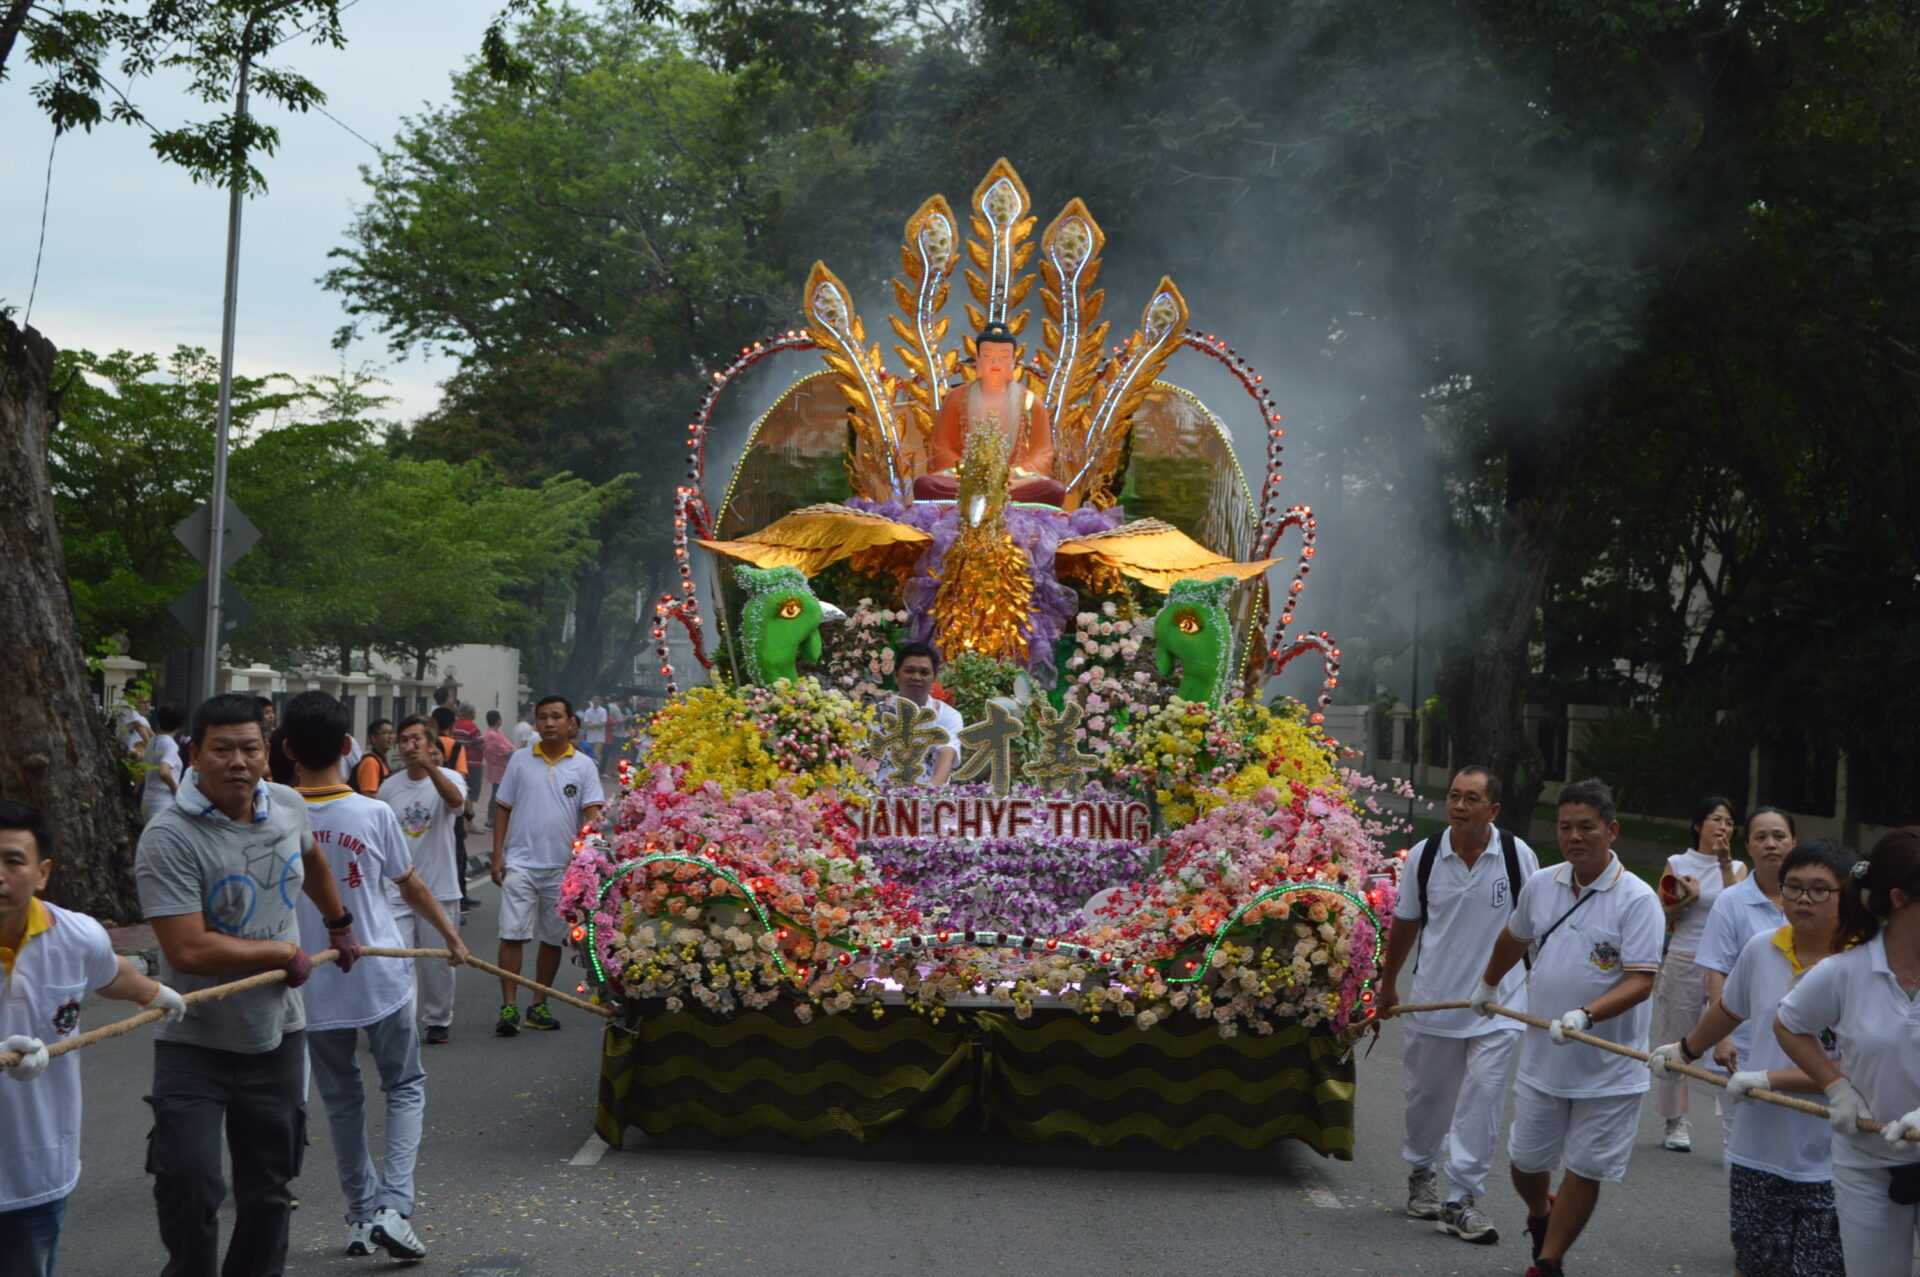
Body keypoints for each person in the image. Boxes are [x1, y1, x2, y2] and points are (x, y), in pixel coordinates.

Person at [134, 692, 361, 1277]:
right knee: (189, 1181)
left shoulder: (287, 805)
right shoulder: (169, 836)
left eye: (250, 748)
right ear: (194, 754)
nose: (238, 761)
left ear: (268, 754)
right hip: (195, 1042)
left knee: (268, 1191)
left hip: (276, 1036)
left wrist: (339, 925)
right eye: (222, 749)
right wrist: (283, 951)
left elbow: (311, 860)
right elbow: (188, 948)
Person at [282, 692, 468, 1260]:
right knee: (405, 1087)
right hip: (381, 979)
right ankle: (393, 1207)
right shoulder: (372, 812)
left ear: (287, 749)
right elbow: (410, 885)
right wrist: (452, 937)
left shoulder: (272, 814)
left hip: (313, 988)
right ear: (347, 747)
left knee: (342, 1102)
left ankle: (362, 1216)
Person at [1470, 778, 1664, 1277]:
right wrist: (1489, 986)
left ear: (1612, 830)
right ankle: (1541, 1211)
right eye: (1565, 827)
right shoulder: (1543, 884)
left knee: (1585, 1167)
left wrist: (1587, 1014)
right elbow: (1514, 938)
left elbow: (1642, 981)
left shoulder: (1638, 899)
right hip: (1544, 1060)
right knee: (1525, 1162)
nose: (1575, 837)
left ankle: (1549, 1261)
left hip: (1608, 1069)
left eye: (1587, 827)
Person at [1649, 840, 1869, 1277]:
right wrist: (1685, 1050)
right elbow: (1730, 1009)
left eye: (1820, 889)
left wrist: (1771, 1079)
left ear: (1846, 896)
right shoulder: (1761, 948)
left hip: (1834, 1157)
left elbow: (1860, 1068)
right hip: (1757, 1151)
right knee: (1754, 1266)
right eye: (1794, 887)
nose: (1804, 898)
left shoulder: (1864, 965)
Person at [0, 800, 187, 1276]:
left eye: (12, 861)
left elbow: (110, 974)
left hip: (38, 1170)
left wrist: (158, 994)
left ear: (42, 873)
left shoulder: (75, 937)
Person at [1378, 765, 1540, 1245]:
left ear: (1493, 809)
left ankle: (1462, 1198)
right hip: (1434, 1003)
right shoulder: (1425, 857)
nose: (1459, 806)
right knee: (1428, 1099)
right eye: (1453, 796)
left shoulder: (1516, 855)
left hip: (1498, 1006)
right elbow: (1405, 924)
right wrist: (1388, 985)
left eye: (1471, 799)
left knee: (1482, 1100)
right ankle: (1422, 1172)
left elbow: (1535, 926)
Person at [1775, 827, 1920, 1274]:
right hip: (1866, 1164)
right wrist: (1835, 1085)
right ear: (1898, 899)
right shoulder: (1845, 972)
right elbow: (1788, 1024)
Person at [490, 695, 603, 1036]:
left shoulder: (583, 766)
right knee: (512, 934)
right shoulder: (520, 761)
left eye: (556, 717)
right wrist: (498, 855)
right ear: (536, 723)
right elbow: (503, 809)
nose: (549, 723)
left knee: (552, 939)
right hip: (520, 863)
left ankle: (539, 1004)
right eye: (543, 717)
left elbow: (592, 813)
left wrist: (587, 858)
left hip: (562, 869)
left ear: (571, 723)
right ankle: (508, 1006)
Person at [1654, 794, 1744, 1152]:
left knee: (1733, 1042)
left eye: (1729, 822)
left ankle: (1735, 1126)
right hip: (1684, 956)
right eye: (1716, 819)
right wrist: (1687, 897)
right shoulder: (1677, 862)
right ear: (1697, 825)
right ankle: (1675, 1120)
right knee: (1678, 1037)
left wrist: (1723, 864)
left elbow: (1738, 908)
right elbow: (1665, 913)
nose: (1723, 827)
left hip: (1725, 962)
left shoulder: (1737, 868)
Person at [378, 716, 471, 1044]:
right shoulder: (388, 788)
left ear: (432, 745)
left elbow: (457, 805)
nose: (409, 745)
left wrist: (430, 769)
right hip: (396, 889)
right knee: (397, 960)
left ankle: (438, 1020)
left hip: (439, 886)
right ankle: (399, 1023)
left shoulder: (450, 778)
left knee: (437, 963)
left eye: (417, 739)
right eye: (403, 740)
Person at [915, 320, 1063, 505]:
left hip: (1014, 482)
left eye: (1003, 356)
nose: (995, 362)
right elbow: (941, 449)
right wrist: (971, 473)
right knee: (926, 485)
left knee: (1053, 491)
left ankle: (997, 497)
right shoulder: (955, 399)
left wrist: (1012, 474)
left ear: (1013, 362)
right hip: (965, 481)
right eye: (988, 355)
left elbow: (1043, 453)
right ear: (977, 360)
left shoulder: (1031, 402)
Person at [1698, 807, 1795, 1078]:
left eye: (1779, 836)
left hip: (1801, 1043)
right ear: (1749, 846)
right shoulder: (1731, 901)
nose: (1770, 844)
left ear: (1794, 843)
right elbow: (1717, 970)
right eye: (1761, 837)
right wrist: (1722, 1035)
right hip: (1742, 1042)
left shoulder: (1810, 900)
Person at [878, 642, 962, 786]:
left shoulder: (949, 715)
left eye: (924, 672)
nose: (916, 677)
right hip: (879, 797)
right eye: (910, 671)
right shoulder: (877, 713)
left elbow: (947, 755)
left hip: (928, 798)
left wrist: (926, 798)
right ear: (896, 675)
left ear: (934, 678)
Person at [138, 702, 188, 824]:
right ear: (180, 725)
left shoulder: (152, 742)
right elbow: (164, 772)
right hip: (163, 804)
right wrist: (177, 791)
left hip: (147, 801)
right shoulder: (170, 745)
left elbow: (143, 769)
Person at [479, 710, 515, 830]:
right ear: (498, 720)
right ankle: (491, 820)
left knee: (498, 793)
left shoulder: (495, 733)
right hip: (498, 769)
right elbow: (505, 749)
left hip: (500, 768)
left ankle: (494, 819)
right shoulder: (492, 735)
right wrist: (513, 750)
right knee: (497, 794)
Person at [353, 719, 395, 796]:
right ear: (374, 738)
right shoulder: (370, 762)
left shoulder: (381, 760)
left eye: (391, 733)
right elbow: (368, 797)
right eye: (385, 733)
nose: (390, 737)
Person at [579, 697, 607, 764]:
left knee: (596, 754)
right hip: (589, 737)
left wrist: (591, 725)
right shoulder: (588, 711)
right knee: (588, 755)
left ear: (600, 702)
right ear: (592, 701)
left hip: (600, 737)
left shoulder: (603, 711)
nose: (596, 701)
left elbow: (603, 723)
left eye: (597, 700)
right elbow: (585, 723)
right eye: (594, 700)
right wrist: (595, 725)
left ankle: (596, 770)